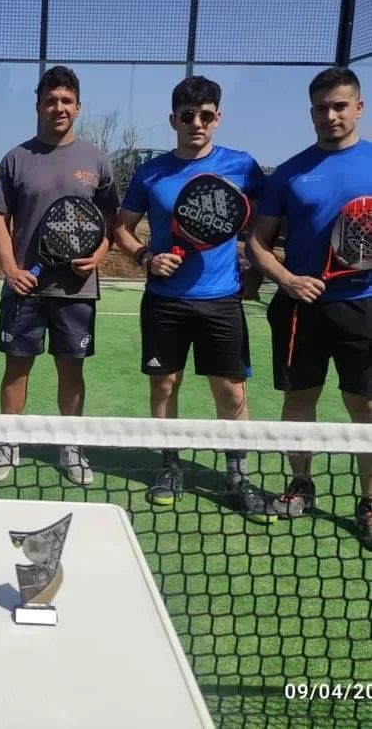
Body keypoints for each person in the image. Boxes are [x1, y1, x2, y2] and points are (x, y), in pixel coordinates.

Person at [115, 75, 276, 523]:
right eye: (187, 116)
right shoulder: (152, 173)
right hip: (165, 300)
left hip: (221, 301)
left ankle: (238, 477)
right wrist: (146, 256)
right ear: (174, 120)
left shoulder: (242, 166)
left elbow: (267, 220)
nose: (196, 123)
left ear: (218, 118)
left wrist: (254, 267)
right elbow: (122, 228)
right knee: (164, 384)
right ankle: (169, 466)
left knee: (230, 390)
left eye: (206, 115)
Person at [248, 66, 372, 547]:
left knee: (364, 407)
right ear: (311, 113)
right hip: (301, 310)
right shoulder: (290, 173)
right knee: (299, 403)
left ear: (358, 108)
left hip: (362, 307)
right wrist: (287, 280)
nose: (330, 115)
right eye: (321, 107)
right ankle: (300, 485)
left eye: (340, 105)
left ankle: (369, 502)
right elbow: (257, 244)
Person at [0, 65, 118, 486]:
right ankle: (8, 443)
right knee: (16, 370)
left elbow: (109, 220)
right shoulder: (16, 158)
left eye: (66, 101)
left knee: (71, 371)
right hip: (25, 289)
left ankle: (70, 445)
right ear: (38, 105)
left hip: (76, 292)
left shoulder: (96, 159)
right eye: (51, 100)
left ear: (78, 107)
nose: (58, 108)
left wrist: (98, 253)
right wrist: (10, 270)